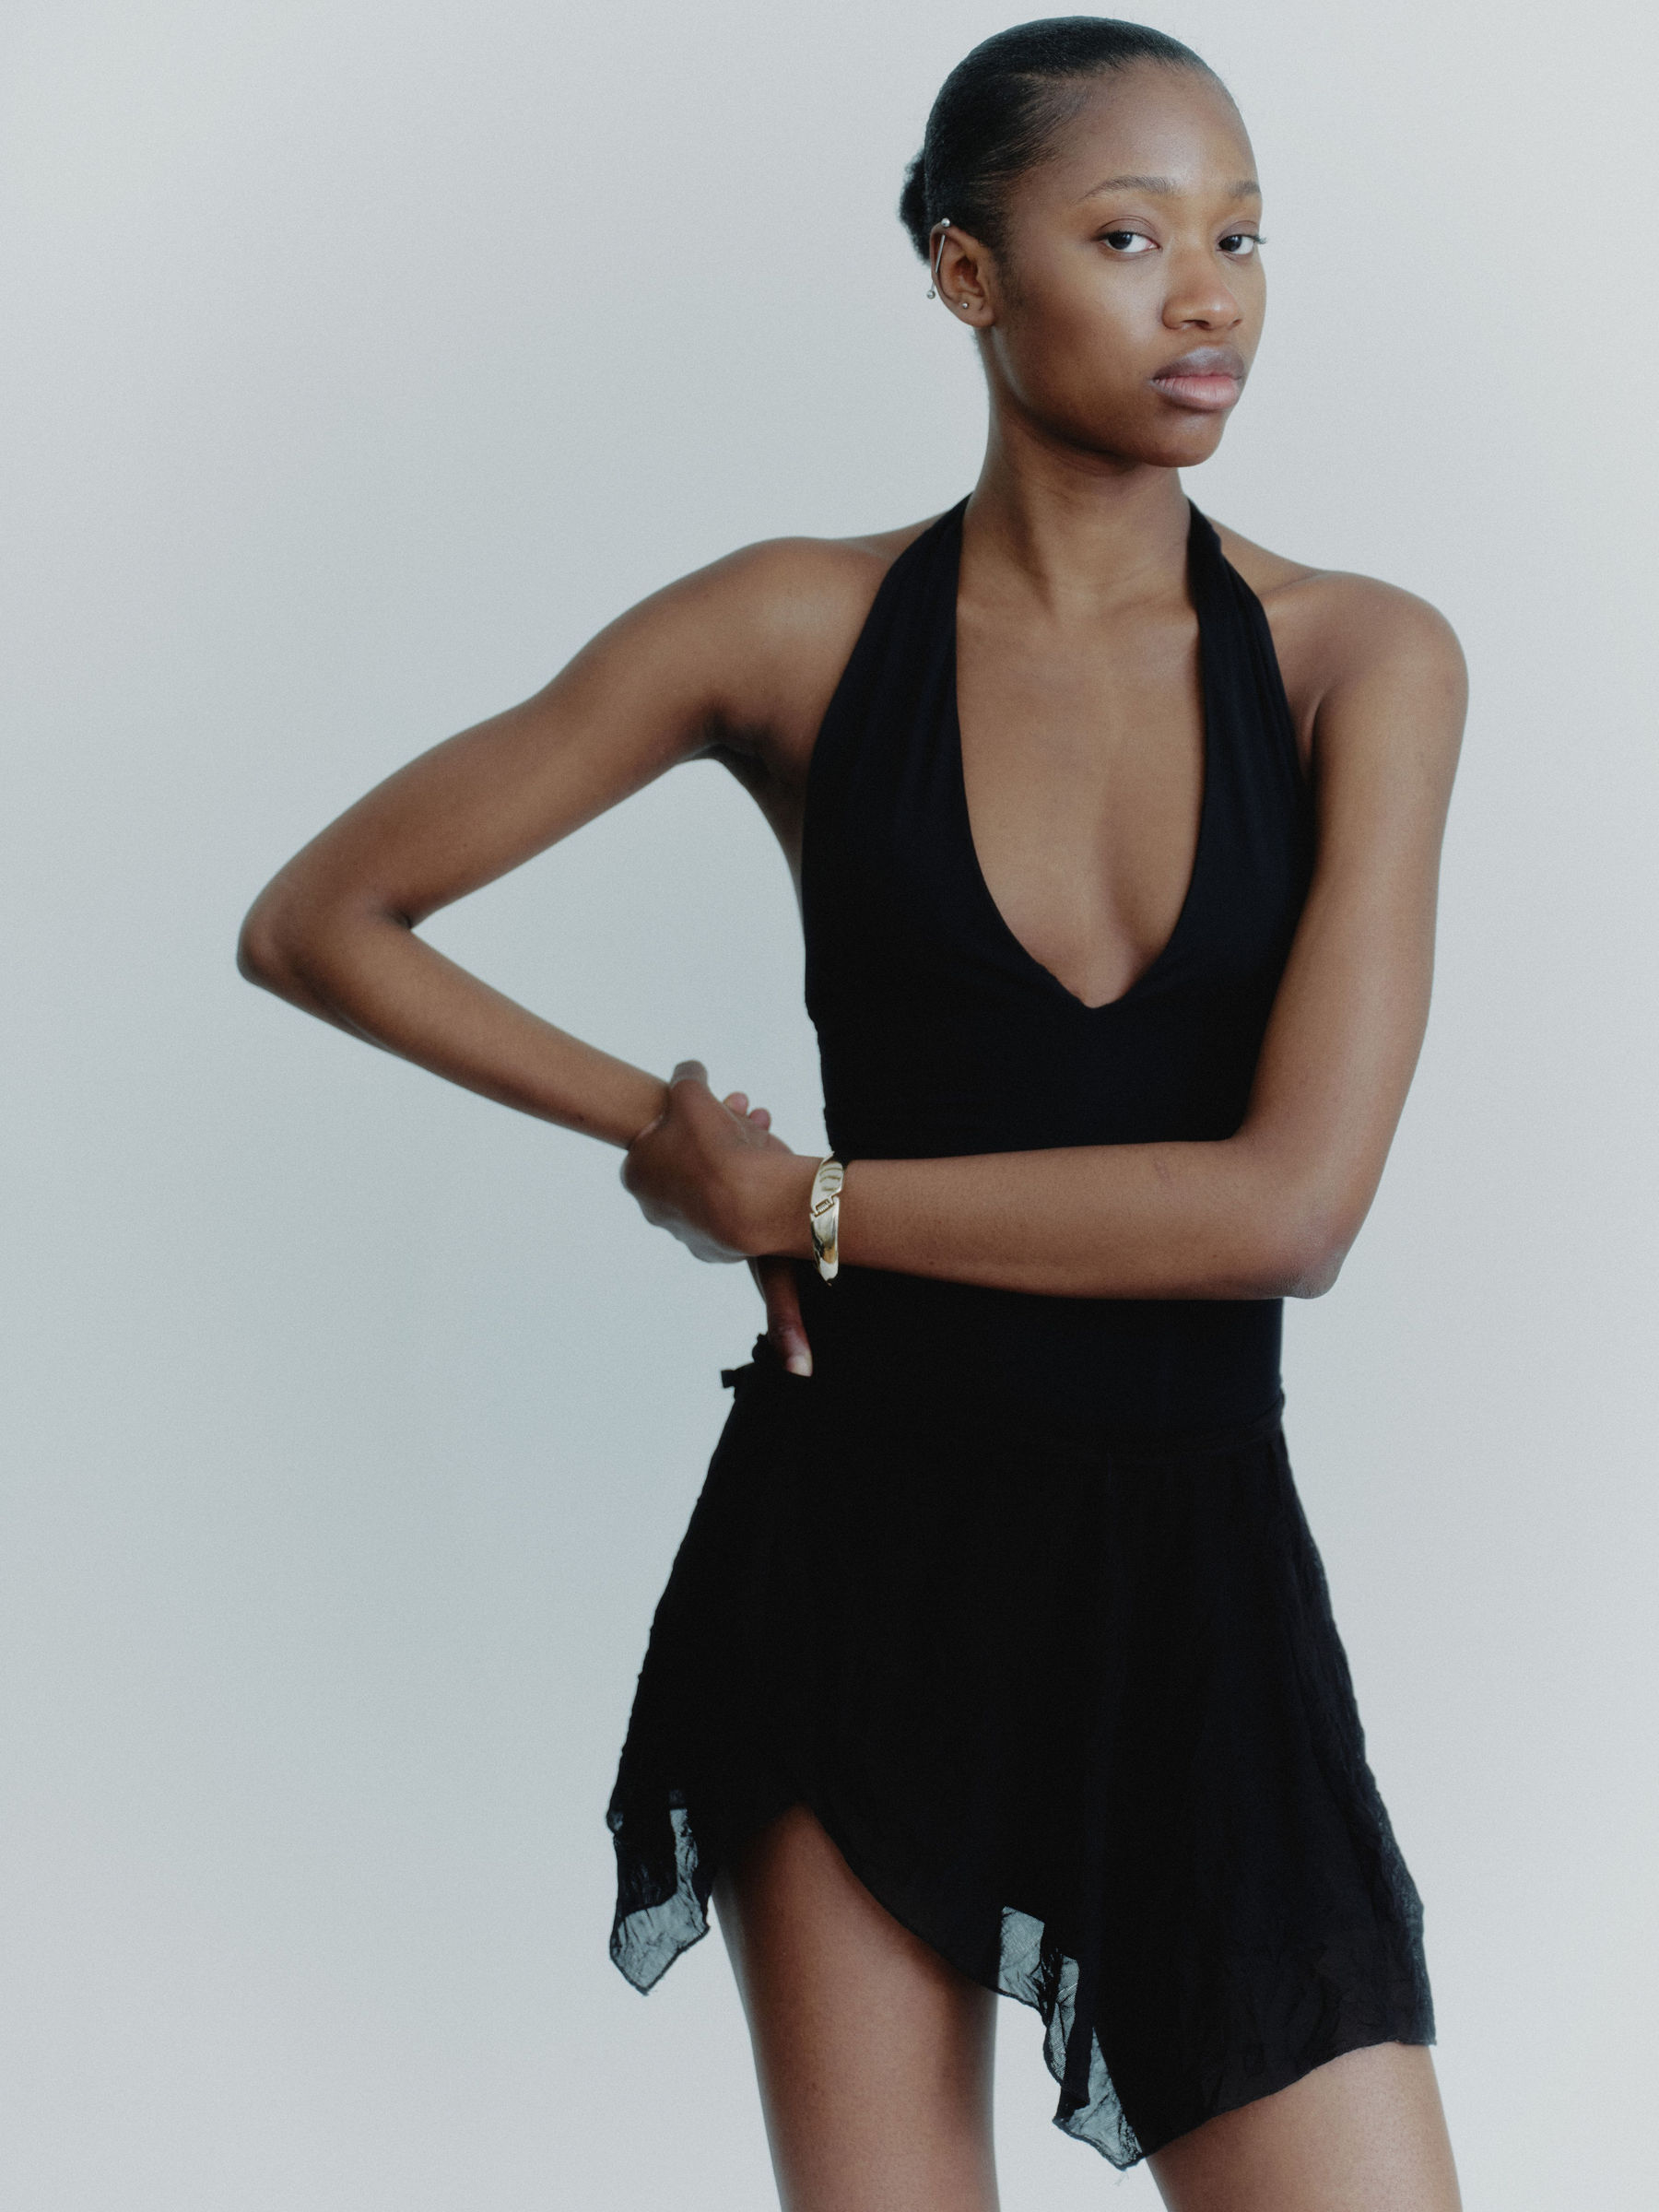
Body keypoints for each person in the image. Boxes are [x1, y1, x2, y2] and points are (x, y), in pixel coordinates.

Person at [238, 17, 1467, 2208]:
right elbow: (322, 919)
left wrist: (800, 1205)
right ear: (966, 273)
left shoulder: (1358, 660)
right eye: (1130, 236)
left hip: (1198, 1589)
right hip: (858, 1558)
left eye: (1244, 236)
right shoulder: (795, 629)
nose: (1209, 297)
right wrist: (665, 1134)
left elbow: (1291, 1208)